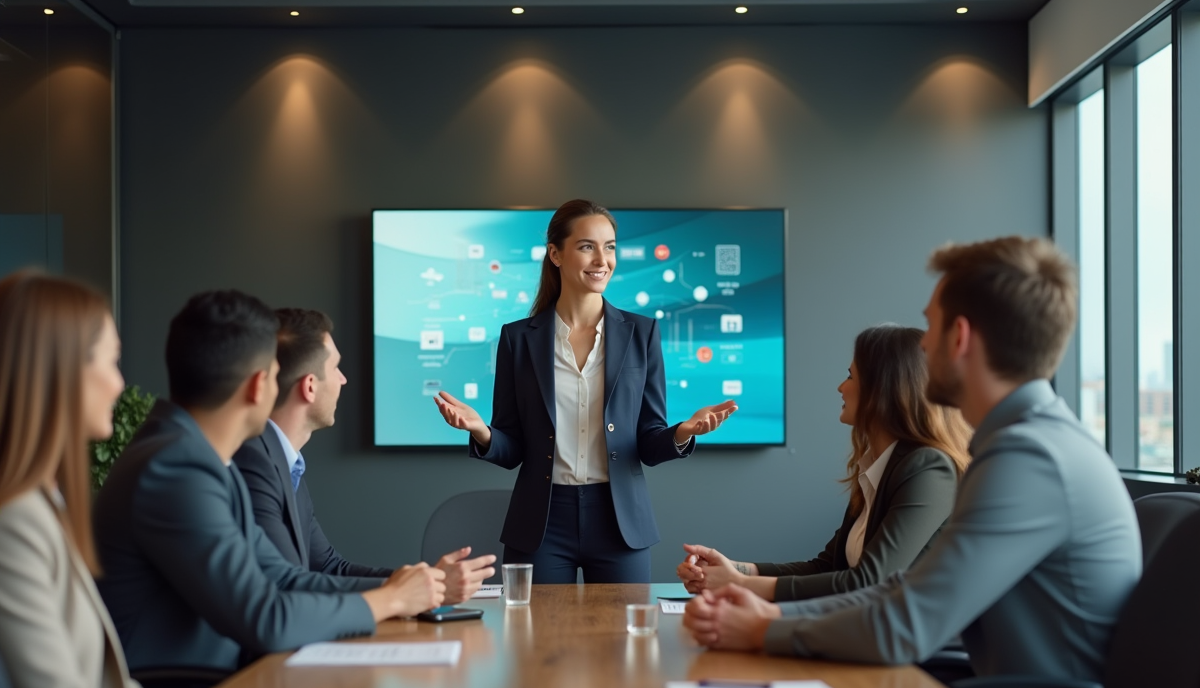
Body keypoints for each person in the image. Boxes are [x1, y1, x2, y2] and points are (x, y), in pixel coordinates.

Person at [683, 236, 1140, 688]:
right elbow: (902, 591)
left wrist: (764, 628)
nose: (922, 351)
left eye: (931, 329)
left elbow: (907, 622)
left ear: (961, 337)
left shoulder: (1030, 459)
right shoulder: (1026, 444)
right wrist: (766, 609)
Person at [95, 290, 446, 688]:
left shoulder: (202, 457)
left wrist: (402, 588)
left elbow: (284, 577)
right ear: (261, 384)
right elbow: (265, 618)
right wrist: (392, 601)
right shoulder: (177, 467)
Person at [434, 199, 737, 583]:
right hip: (540, 523)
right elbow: (512, 451)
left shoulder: (641, 333)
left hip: (619, 521)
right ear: (555, 254)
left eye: (609, 247)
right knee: (534, 638)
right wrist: (482, 432)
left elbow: (646, 443)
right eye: (586, 246)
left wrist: (683, 433)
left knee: (624, 640)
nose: (602, 260)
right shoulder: (518, 339)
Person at [0, 272, 169, 688]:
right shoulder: (16, 523)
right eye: (111, 360)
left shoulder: (46, 506)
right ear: (58, 371)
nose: (120, 382)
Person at [677, 324, 971, 601]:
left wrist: (739, 585)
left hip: (915, 653)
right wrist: (734, 570)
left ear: (884, 388)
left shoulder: (929, 468)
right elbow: (827, 567)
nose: (841, 387)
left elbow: (870, 582)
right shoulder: (879, 467)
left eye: (852, 376)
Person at [233, 308, 495, 602]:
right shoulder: (255, 462)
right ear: (309, 386)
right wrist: (410, 592)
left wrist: (424, 582)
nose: (343, 380)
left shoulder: (285, 462)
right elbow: (285, 587)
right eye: (335, 369)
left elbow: (329, 567)